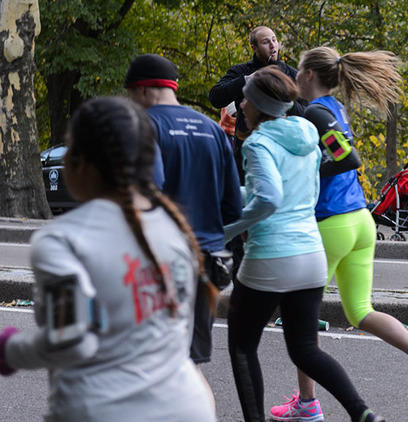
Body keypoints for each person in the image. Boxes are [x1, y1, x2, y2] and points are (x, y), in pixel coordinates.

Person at [0, 97, 216, 421]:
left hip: (101, 409)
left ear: (79, 163)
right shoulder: (176, 230)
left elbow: (70, 340)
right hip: (188, 406)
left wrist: (9, 349)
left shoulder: (63, 239)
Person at [268, 46, 408, 422]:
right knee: (359, 311)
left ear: (307, 76)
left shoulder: (318, 112)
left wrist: (306, 176)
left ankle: (307, 404)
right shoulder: (335, 109)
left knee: (302, 319)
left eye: (297, 71)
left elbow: (347, 157)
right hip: (359, 221)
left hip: (331, 224)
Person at [223, 66, 384, 422]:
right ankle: (363, 413)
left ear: (257, 104)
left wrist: (226, 230)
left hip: (271, 257)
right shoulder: (308, 136)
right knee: (305, 349)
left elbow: (268, 198)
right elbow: (299, 192)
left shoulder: (259, 143)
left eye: (245, 100)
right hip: (310, 254)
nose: (241, 107)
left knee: (242, 346)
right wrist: (233, 194)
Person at [124, 54, 242, 392]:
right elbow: (233, 207)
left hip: (158, 262)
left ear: (144, 89)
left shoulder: (144, 126)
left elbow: (145, 197)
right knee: (189, 366)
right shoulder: (212, 130)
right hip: (206, 262)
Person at [209, 25, 306, 180]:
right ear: (254, 47)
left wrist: (283, 97)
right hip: (247, 151)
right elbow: (215, 97)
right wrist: (246, 80)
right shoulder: (241, 71)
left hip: (284, 151)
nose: (273, 45)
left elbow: (306, 113)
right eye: (266, 42)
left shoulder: (291, 75)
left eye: (274, 40)